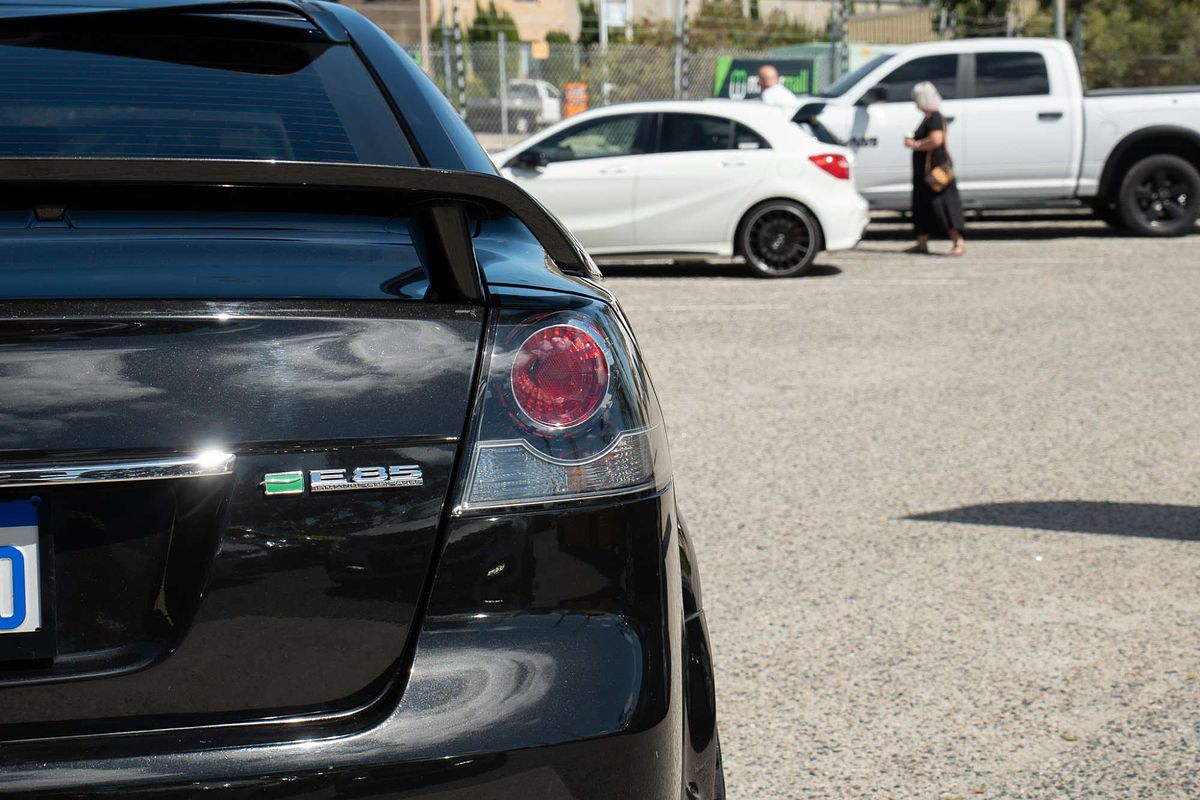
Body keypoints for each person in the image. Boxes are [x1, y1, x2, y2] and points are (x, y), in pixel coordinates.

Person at [904, 81, 965, 256]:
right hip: (926, 171)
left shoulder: (935, 117)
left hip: (935, 170)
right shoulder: (929, 117)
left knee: (942, 205)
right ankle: (922, 243)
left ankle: (958, 241)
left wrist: (914, 144)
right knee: (923, 206)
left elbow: (936, 140)